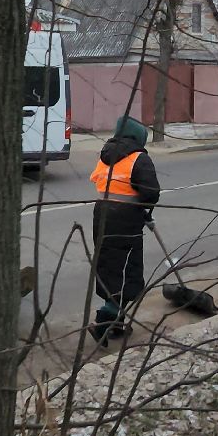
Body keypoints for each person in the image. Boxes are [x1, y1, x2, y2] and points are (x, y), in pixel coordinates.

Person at [89, 116, 160, 343]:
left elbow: (102, 183)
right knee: (127, 269)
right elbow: (151, 193)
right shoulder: (139, 158)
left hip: (102, 215)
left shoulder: (106, 154)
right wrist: (141, 207)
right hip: (125, 219)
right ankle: (104, 319)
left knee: (110, 266)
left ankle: (117, 322)